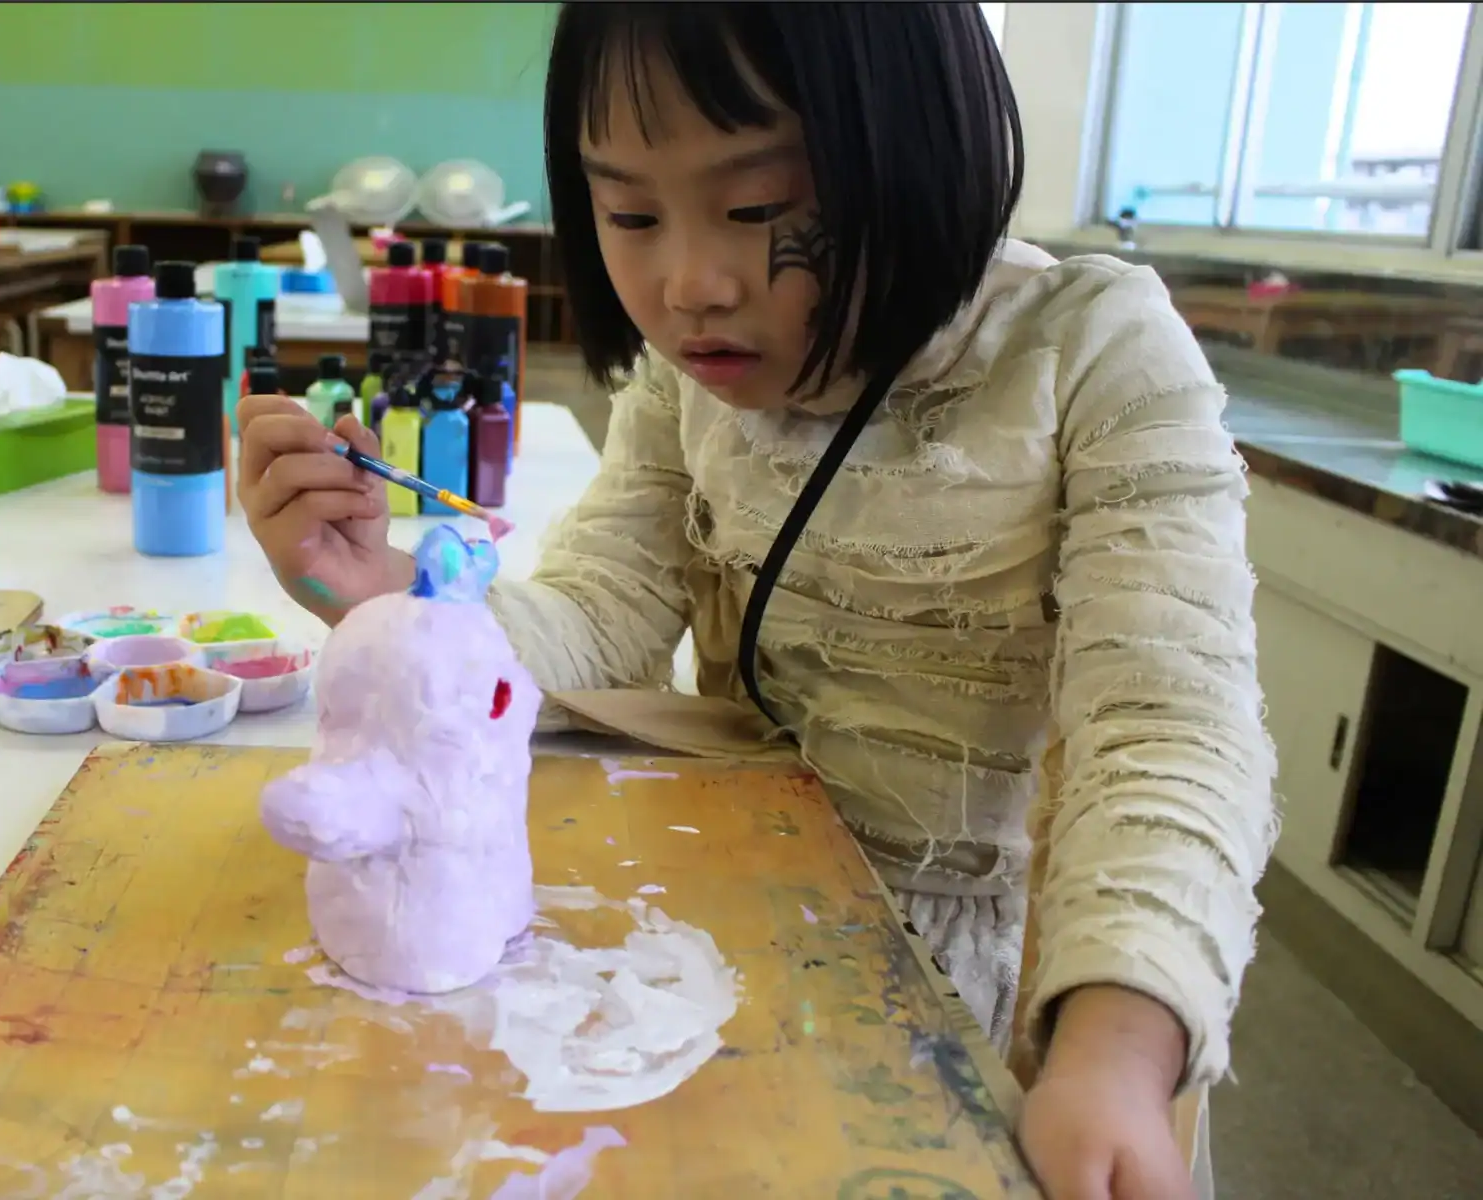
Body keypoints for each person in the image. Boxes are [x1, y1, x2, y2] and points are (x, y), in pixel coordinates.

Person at [236, 4, 1274, 1197]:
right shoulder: (690, 387)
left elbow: (1164, 726)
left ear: (922, 153)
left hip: (1000, 1003)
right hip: (725, 926)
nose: (689, 286)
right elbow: (601, 616)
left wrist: (1115, 1050)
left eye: (757, 210)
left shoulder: (1089, 350)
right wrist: (392, 610)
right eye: (628, 214)